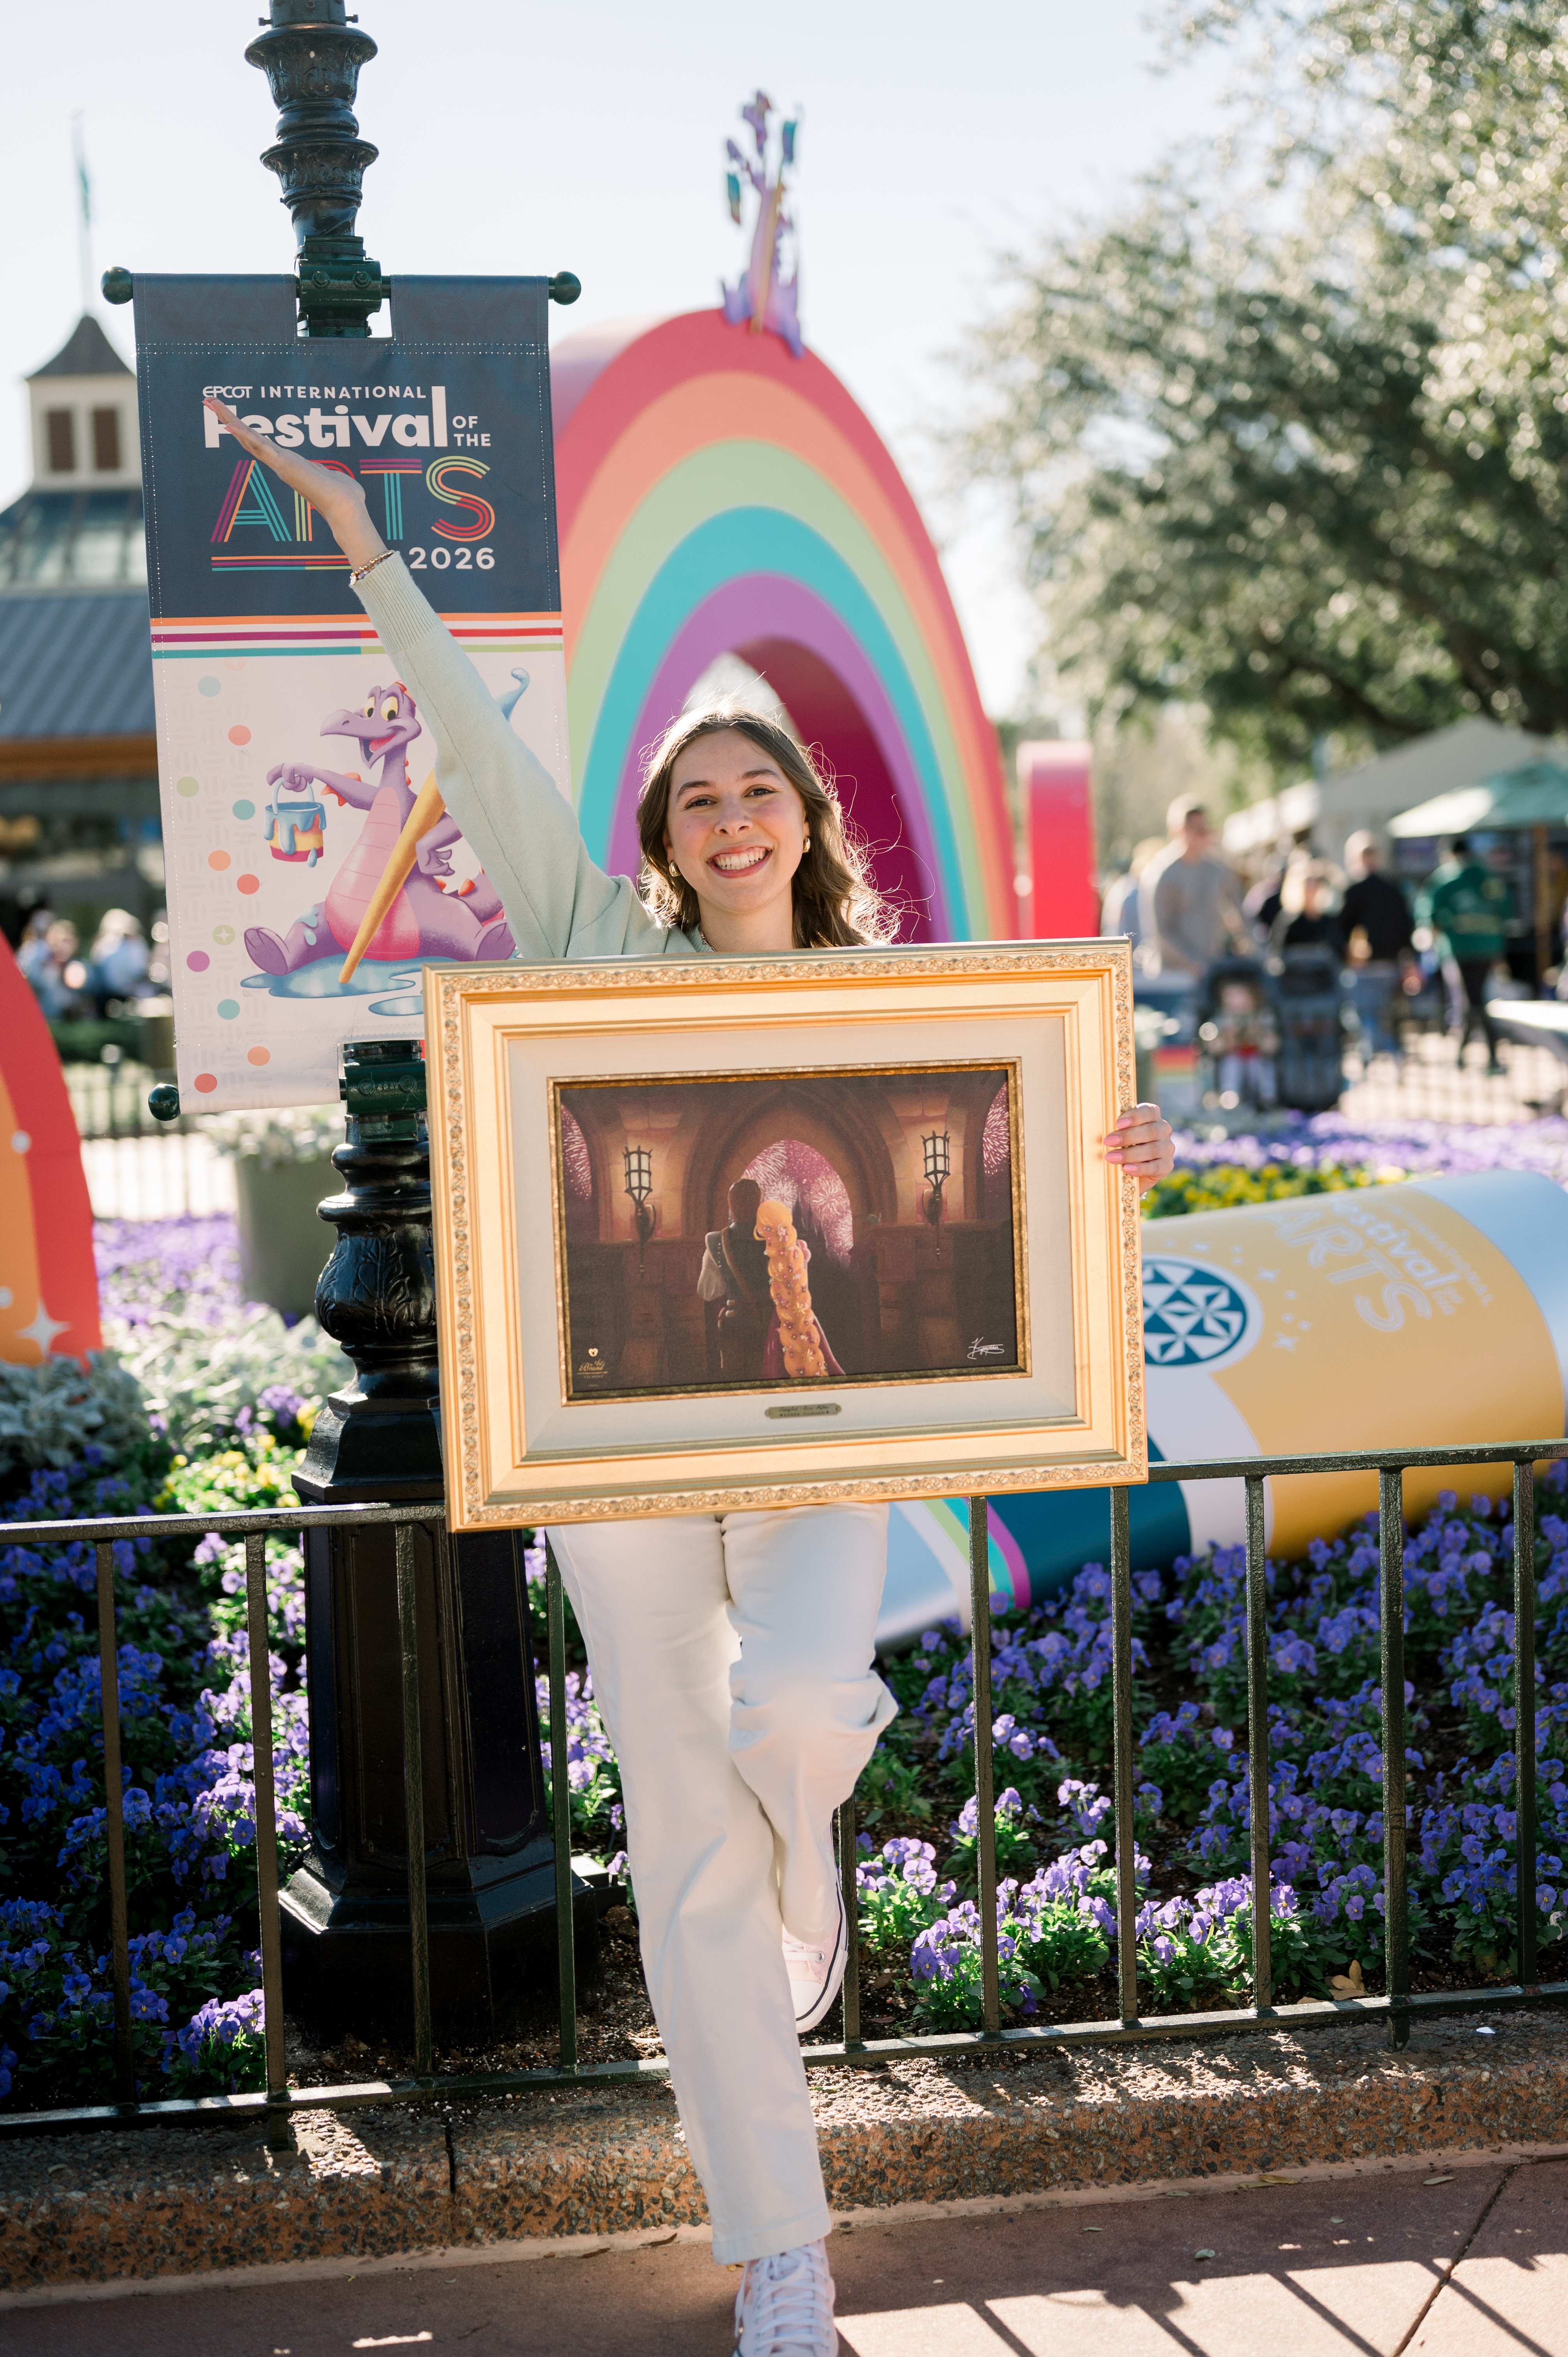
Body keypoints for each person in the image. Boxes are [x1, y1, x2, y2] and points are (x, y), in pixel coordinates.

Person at [205, 397, 1176, 2357]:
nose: (730, 818)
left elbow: (1005, 1203)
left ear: (809, 817)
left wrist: (1117, 1158)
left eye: (758, 790)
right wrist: (358, 541)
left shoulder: (918, 1002)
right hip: (621, 1463)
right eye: (694, 800)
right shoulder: (589, 955)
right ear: (661, 844)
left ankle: (804, 1846)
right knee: (677, 1858)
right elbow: (473, 751)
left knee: (812, 1694)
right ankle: (782, 2253)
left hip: (824, 1450)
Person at [1418, 835, 1515, 1074]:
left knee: (1471, 1000)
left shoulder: (1445, 876)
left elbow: (1428, 911)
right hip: (1488, 947)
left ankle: (1475, 1054)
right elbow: (1505, 909)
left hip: (1459, 948)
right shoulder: (1486, 875)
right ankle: (1476, 1054)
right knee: (1475, 999)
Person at [1139, 798, 1251, 981]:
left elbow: (1240, 913)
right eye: (1193, 828)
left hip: (1212, 970)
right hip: (1174, 977)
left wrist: (1251, 948)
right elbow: (1161, 931)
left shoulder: (1217, 871)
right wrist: (1192, 963)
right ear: (1176, 831)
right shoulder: (1162, 874)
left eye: (1203, 828)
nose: (1200, 834)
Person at [1340, 833, 1415, 1060]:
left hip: (1366, 966)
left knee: (1368, 1015)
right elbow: (1407, 929)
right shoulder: (1394, 889)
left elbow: (1341, 929)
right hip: (1390, 963)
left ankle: (1373, 1056)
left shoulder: (1355, 891)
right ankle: (1392, 1054)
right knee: (1387, 1016)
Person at [18, 917, 89, 1021]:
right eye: (58, 941)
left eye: (68, 941)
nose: (63, 946)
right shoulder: (37, 967)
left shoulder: (81, 967)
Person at [1270, 860, 1344, 957]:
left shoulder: (1329, 922)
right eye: (1308, 887)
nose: (1312, 892)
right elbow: (1279, 952)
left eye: (1316, 887)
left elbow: (1339, 950)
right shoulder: (1290, 922)